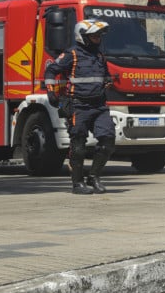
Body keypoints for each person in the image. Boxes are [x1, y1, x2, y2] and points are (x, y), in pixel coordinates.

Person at [45, 19, 116, 195]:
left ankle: (94, 177)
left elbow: (105, 75)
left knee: (108, 141)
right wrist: (51, 91)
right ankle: (77, 184)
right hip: (78, 105)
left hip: (99, 106)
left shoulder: (100, 56)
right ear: (83, 36)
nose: (98, 38)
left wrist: (107, 81)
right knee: (78, 147)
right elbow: (51, 71)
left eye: (99, 35)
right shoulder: (72, 54)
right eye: (94, 35)